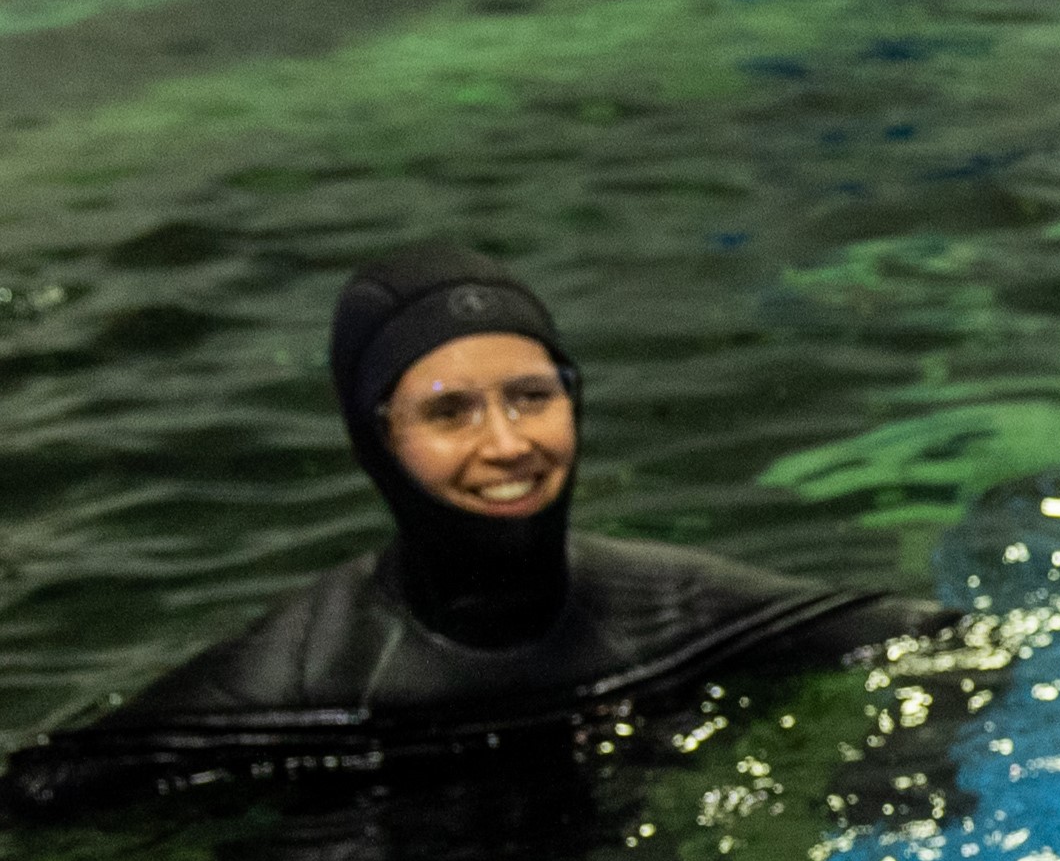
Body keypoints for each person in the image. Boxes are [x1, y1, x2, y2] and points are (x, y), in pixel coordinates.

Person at [16, 244, 944, 795]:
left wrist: (893, 777)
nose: (506, 444)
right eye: (450, 413)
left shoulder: (672, 609)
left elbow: (947, 644)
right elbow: (51, 792)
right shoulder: (305, 676)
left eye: (532, 397)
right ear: (376, 441)